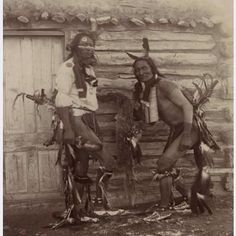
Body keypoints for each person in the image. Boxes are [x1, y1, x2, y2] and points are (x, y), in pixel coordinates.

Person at [131, 56, 219, 212]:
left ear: (152, 68)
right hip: (177, 130)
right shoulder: (146, 90)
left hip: (190, 127)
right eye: (137, 70)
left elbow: (187, 106)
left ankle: (164, 208)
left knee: (163, 164)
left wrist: (186, 135)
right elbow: (149, 119)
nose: (141, 72)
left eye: (144, 68)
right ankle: (188, 198)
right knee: (166, 165)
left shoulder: (164, 84)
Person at [54, 32, 116, 214]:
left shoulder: (87, 69)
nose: (89, 48)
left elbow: (88, 95)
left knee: (82, 164)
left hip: (89, 117)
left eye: (92, 45)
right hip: (76, 118)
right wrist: (69, 130)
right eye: (84, 44)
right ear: (74, 47)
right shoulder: (67, 68)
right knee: (108, 160)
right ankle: (99, 203)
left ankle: (76, 209)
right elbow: (62, 98)